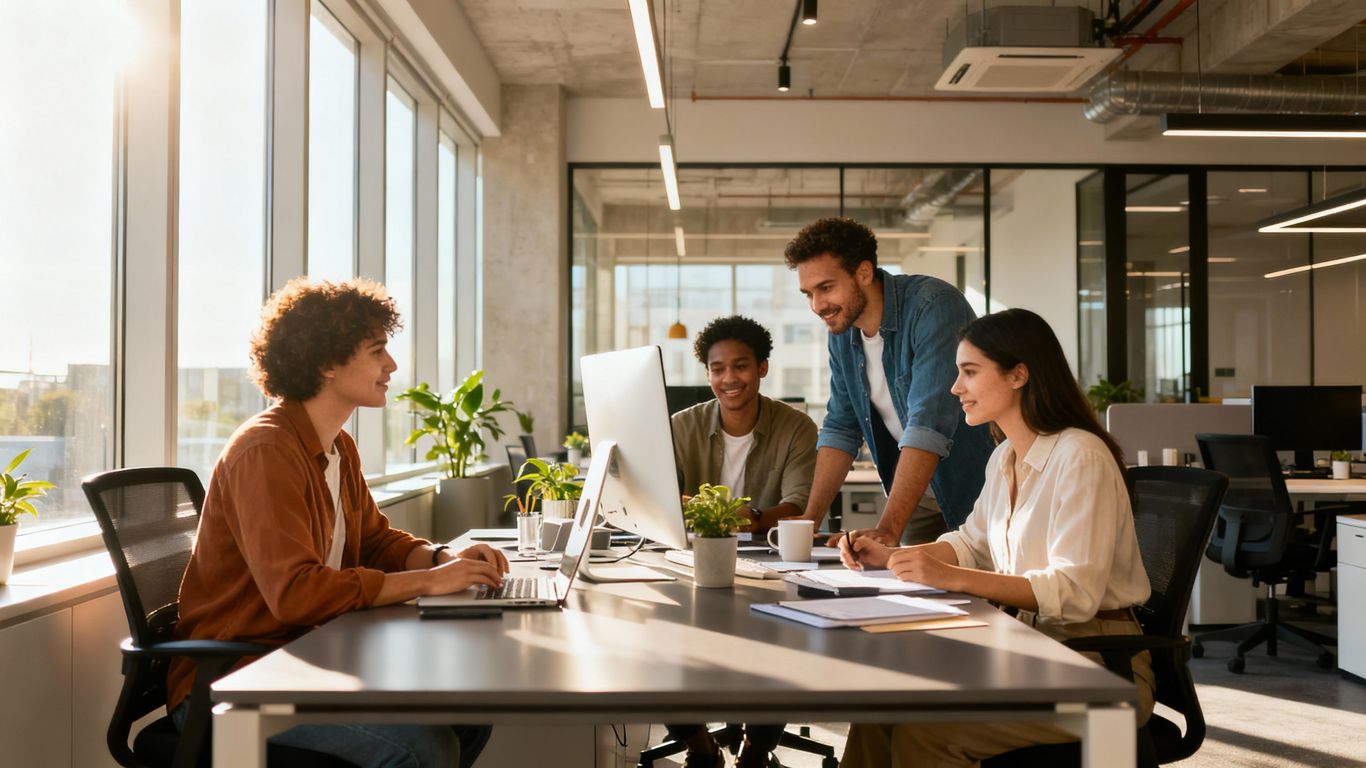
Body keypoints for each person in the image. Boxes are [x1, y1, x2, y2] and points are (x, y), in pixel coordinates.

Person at [168, 278, 507, 767]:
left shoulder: (336, 446)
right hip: (239, 683)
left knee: (465, 710)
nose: (391, 365)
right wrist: (430, 582)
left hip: (306, 657)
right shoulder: (266, 451)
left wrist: (442, 558)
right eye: (376, 351)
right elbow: (295, 594)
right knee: (423, 746)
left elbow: (375, 539)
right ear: (327, 364)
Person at [838, 307, 1154, 767]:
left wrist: (951, 577)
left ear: (1018, 375)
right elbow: (973, 543)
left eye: (969, 372)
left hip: (1098, 664)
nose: (955, 388)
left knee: (928, 734)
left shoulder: (1080, 457)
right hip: (1028, 646)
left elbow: (1075, 592)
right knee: (881, 705)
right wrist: (892, 556)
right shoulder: (1005, 455)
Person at [783, 217, 995, 556]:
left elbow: (928, 424)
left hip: (974, 493)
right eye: (808, 293)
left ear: (864, 273)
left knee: (980, 600)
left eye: (826, 288)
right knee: (915, 596)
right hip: (917, 498)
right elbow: (841, 426)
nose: (817, 306)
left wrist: (888, 528)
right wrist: (809, 520)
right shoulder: (843, 334)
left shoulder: (933, 307)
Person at [665, 315, 818, 768]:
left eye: (741, 366)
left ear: (763, 368)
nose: (728, 379)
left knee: (787, 643)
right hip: (693, 559)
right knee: (660, 648)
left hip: (770, 564)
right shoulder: (680, 426)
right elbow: (660, 496)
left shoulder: (796, 427)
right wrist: (703, 512)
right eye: (717, 369)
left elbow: (799, 505)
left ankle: (757, 748)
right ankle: (699, 746)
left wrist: (744, 518)